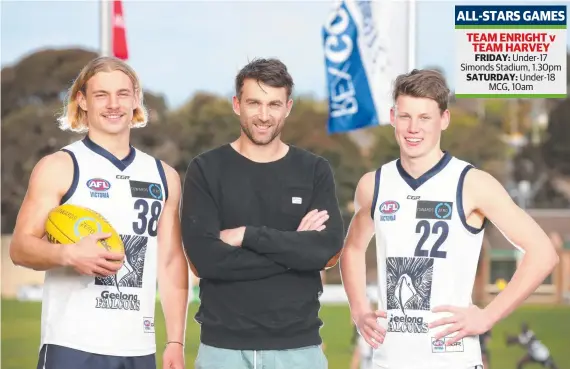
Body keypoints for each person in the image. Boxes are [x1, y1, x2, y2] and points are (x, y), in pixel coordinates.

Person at [339, 69, 559, 369]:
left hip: (452, 361)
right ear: (392, 117)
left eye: (424, 117)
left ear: (444, 119)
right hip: (388, 362)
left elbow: (543, 253)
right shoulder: (373, 184)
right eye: (405, 116)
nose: (413, 128)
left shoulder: (472, 183)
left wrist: (488, 316)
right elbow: (352, 249)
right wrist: (359, 310)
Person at [9, 56, 189, 369]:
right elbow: (20, 247)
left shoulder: (164, 176)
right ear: (82, 100)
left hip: (137, 346)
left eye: (122, 94)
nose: (113, 104)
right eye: (101, 95)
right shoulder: (59, 167)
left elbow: (172, 260)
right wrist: (67, 254)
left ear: (135, 100)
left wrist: (175, 340)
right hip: (73, 344)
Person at [181, 58, 344, 369]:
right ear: (236, 104)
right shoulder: (206, 169)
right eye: (254, 103)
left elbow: (326, 249)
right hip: (222, 350)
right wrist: (295, 248)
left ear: (288, 107)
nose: (264, 116)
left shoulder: (314, 171)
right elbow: (205, 259)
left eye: (274, 104)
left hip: (299, 349)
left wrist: (247, 236)